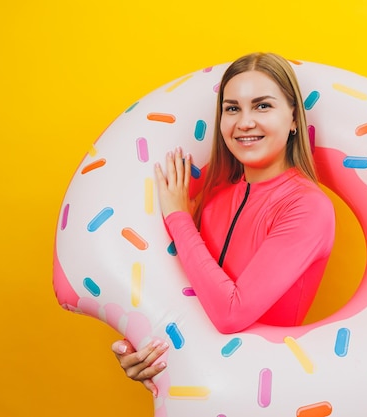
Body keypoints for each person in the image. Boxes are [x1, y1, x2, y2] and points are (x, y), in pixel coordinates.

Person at [112, 52, 335, 396]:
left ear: (293, 118)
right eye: (232, 109)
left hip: (260, 397)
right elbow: (183, 302)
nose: (244, 122)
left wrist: (178, 218)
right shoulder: (212, 200)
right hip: (198, 394)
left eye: (262, 106)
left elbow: (231, 314)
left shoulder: (307, 206)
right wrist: (146, 356)